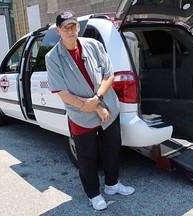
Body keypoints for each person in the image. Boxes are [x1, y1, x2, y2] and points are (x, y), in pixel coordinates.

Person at [45, 10, 135, 211]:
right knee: (87, 156)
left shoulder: (93, 45)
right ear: (58, 31)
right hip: (80, 114)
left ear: (78, 27)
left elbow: (109, 74)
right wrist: (94, 107)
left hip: (107, 108)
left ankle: (112, 185)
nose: (70, 30)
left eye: (73, 26)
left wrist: (98, 101)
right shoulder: (53, 58)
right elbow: (63, 93)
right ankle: (93, 194)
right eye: (65, 27)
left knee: (112, 148)